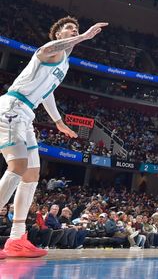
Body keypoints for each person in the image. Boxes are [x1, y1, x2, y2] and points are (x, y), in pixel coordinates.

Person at [0, 16, 105, 258]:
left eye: (76, 29)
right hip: (12, 107)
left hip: (26, 115)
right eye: (69, 29)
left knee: (32, 174)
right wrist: (84, 36)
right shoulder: (48, 51)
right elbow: (48, 48)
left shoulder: (64, 65)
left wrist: (58, 121)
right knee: (17, 166)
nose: (73, 31)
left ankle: (16, 239)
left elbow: (48, 94)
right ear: (58, 34)